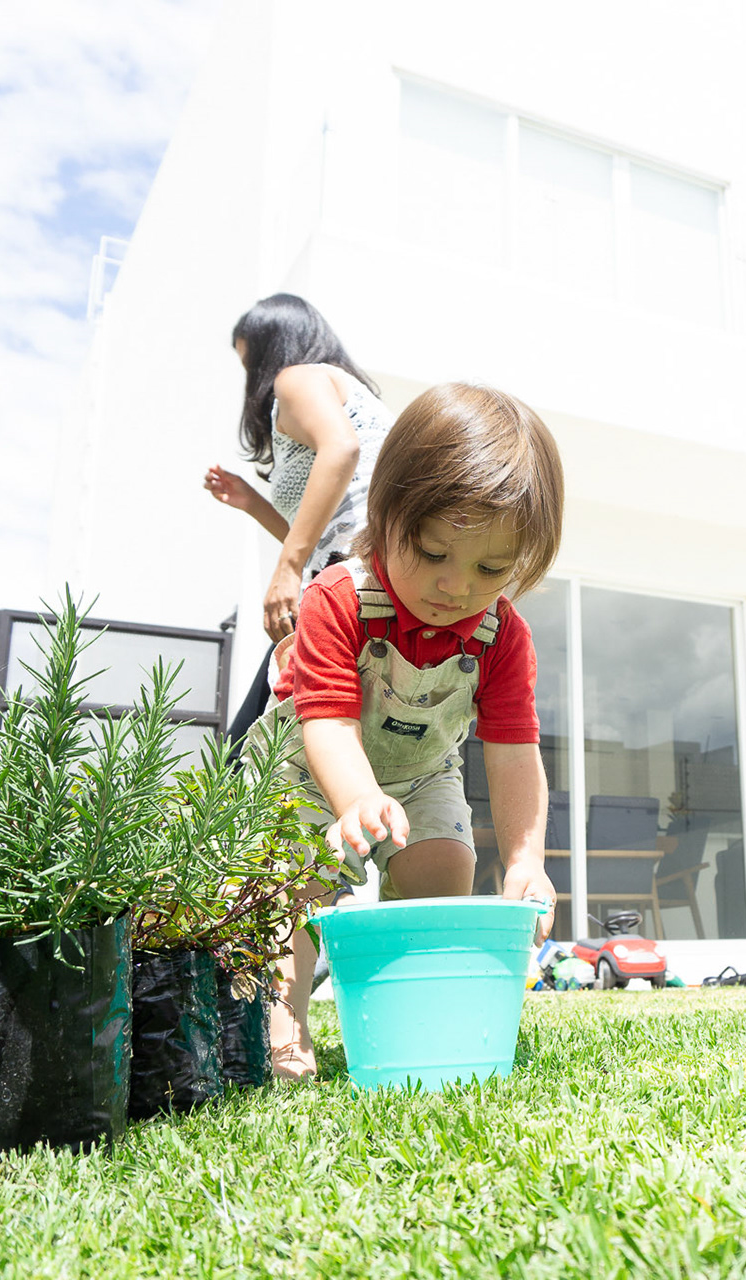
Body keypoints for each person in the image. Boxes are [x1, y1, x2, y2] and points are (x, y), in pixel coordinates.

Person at [256, 381, 564, 1079]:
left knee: (444, 868)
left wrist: (525, 860)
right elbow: (328, 722)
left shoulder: (501, 635)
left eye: (490, 568)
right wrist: (357, 800)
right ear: (387, 513)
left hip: (421, 772)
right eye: (431, 552)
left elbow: (515, 752)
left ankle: (415, 1010)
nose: (455, 585)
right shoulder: (339, 599)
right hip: (309, 768)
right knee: (295, 885)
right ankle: (285, 1018)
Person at [203, 294, 391, 746]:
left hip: (344, 590)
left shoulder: (298, 377)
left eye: (251, 361)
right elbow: (332, 530)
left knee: (249, 753)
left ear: (272, 347)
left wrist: (287, 569)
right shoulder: (343, 387)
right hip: (363, 577)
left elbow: (341, 448)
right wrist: (253, 502)